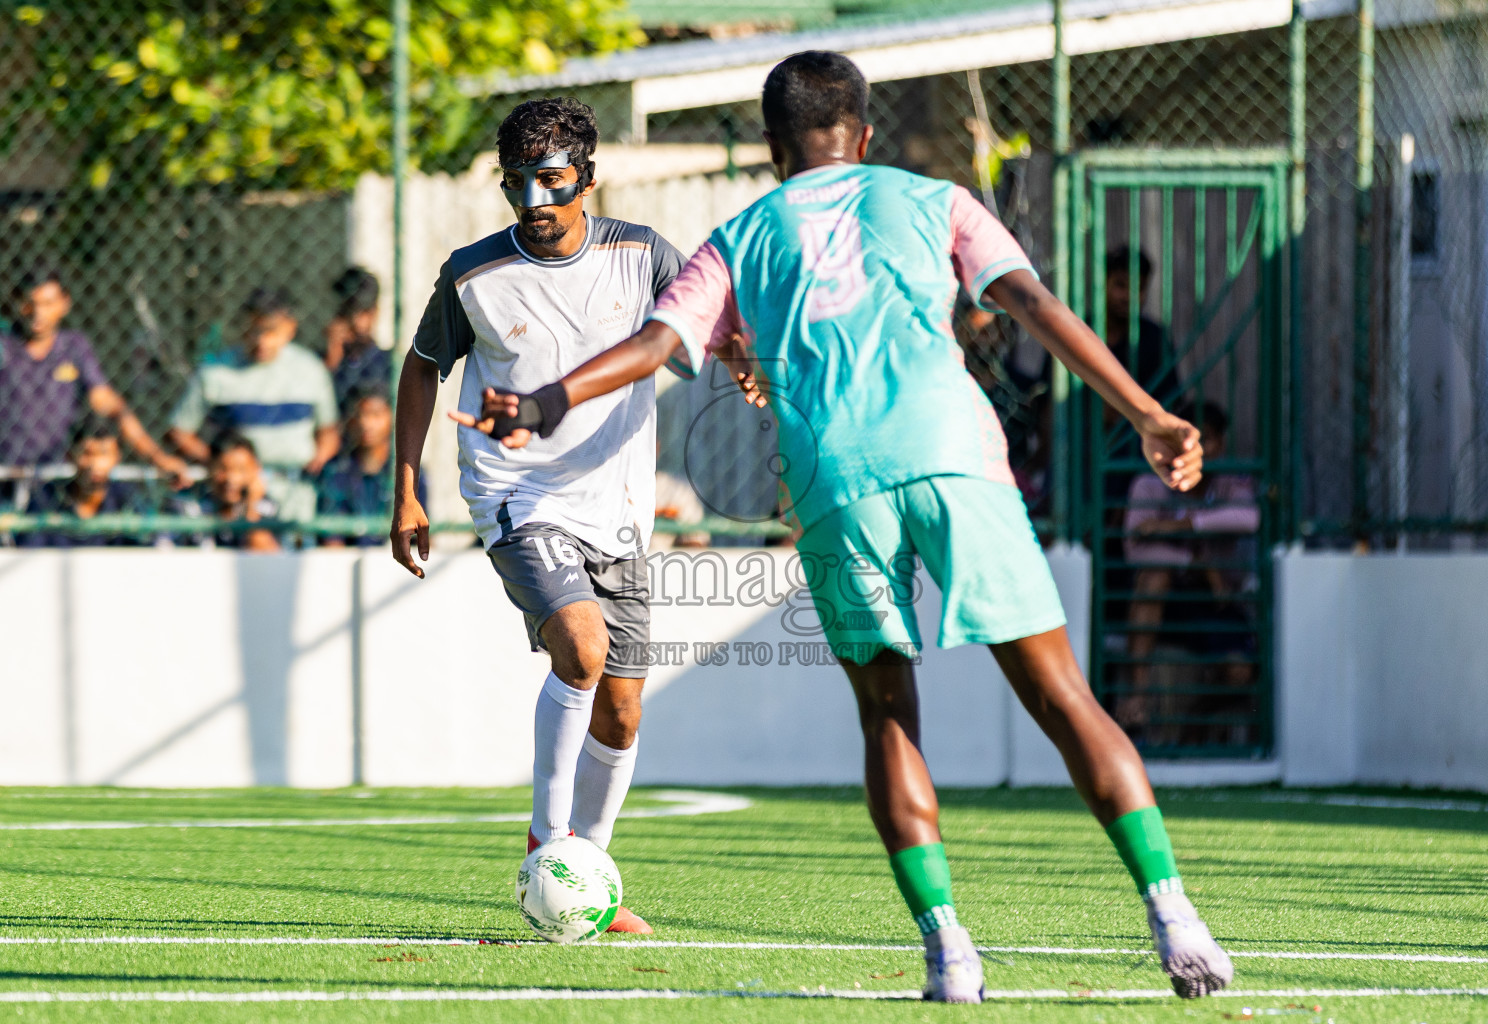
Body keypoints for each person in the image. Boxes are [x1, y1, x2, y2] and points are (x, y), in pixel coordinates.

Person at [460, 52, 1230, 1003]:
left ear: (773, 150)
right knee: (1064, 697)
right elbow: (1030, 302)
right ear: (864, 135)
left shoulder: (741, 234)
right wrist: (1147, 414)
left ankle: (949, 954)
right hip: (955, 458)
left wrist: (544, 402)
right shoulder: (935, 199)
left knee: (888, 715)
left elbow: (661, 344)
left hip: (837, 479)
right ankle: (1176, 920)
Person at [389, 97, 688, 935]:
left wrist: (740, 360)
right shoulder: (473, 272)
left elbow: (698, 324)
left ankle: (584, 871)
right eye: (516, 184)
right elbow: (421, 370)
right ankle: (545, 843)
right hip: (519, 497)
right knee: (582, 647)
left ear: (587, 177)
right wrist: (406, 488)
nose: (534, 202)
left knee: (622, 708)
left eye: (551, 180)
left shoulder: (641, 254)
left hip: (619, 508)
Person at [1121, 402, 1260, 745]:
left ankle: (1194, 719)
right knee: (1154, 577)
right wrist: (1195, 562)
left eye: (1205, 441)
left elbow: (1249, 519)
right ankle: (1137, 694)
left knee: (1240, 672)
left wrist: (1178, 526)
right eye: (1183, 441)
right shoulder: (1149, 484)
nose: (1193, 452)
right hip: (1166, 605)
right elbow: (1134, 546)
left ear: (1221, 444)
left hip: (1216, 602)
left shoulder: (1232, 481)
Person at [167, 287, 340, 521]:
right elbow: (179, 432)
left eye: (270, 332)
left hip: (296, 496)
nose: (261, 340)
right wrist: (226, 468)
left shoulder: (311, 370)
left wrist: (318, 459)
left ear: (290, 328)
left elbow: (328, 431)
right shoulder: (216, 372)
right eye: (253, 330)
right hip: (235, 500)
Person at [0, 268, 188, 480]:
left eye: (48, 303)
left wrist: (157, 457)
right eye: (29, 303)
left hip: (56, 479)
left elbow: (110, 404)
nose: (38, 313)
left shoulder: (74, 347)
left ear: (65, 303)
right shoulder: (4, 346)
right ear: (16, 302)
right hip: (5, 472)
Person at [20, 418, 150, 548]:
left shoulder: (126, 498)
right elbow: (30, 548)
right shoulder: (47, 496)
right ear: (70, 456)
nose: (95, 464)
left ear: (117, 457)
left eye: (104, 454)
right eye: (87, 454)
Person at [318, 386, 422, 545]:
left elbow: (421, 535)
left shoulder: (411, 473)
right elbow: (332, 540)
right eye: (361, 414)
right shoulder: (337, 471)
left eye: (376, 415)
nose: (366, 423)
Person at [173, 432, 282, 552]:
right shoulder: (194, 506)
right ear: (210, 468)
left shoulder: (265, 507)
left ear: (256, 470)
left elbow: (267, 556)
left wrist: (251, 508)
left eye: (241, 470)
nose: (231, 479)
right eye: (223, 469)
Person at [1104, 246, 1179, 402]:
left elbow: (1170, 400)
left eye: (1138, 288)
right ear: (1104, 283)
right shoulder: (1081, 328)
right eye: (1120, 285)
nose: (1128, 296)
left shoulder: (1155, 338)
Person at [325, 266, 392, 413]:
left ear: (374, 312)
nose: (354, 321)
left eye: (362, 311)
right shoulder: (327, 362)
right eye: (347, 311)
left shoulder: (387, 362)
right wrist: (332, 357)